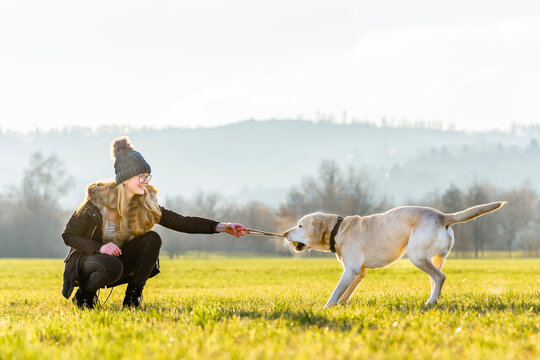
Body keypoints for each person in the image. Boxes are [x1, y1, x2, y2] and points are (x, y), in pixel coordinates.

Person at [61, 136, 247, 309]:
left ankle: (132, 298)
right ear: (125, 179)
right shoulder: (97, 201)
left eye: (147, 176)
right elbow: (69, 235)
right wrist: (99, 248)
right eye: (141, 176)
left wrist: (222, 226)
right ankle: (85, 296)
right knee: (112, 265)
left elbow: (181, 222)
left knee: (152, 239)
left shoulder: (144, 204)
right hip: (86, 260)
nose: (146, 181)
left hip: (115, 260)